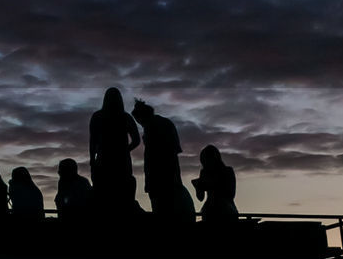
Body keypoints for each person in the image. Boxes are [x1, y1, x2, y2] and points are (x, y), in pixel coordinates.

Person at [132, 98, 194, 226]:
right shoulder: (166, 123)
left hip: (160, 179)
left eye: (139, 122)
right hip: (170, 178)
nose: (141, 125)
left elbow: (154, 156)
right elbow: (175, 151)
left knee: (163, 215)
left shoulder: (151, 127)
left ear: (142, 117)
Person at [89, 87, 140, 212]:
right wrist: (125, 150)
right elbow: (136, 140)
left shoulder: (97, 116)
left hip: (103, 160)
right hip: (121, 162)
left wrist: (92, 159)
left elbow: (92, 142)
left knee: (103, 197)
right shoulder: (125, 117)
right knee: (123, 198)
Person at [192, 145, 238, 223]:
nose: (204, 164)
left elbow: (231, 194)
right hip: (209, 211)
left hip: (226, 211)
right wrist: (197, 187)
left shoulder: (228, 171)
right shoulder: (204, 172)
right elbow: (200, 197)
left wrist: (210, 186)